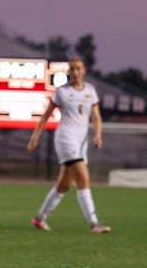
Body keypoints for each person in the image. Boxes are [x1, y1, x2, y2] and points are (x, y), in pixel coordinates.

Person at [26, 56, 111, 234]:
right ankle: (94, 223)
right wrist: (35, 138)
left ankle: (39, 218)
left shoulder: (90, 91)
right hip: (65, 138)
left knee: (64, 185)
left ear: (84, 70)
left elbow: (95, 116)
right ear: (68, 72)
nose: (75, 72)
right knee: (83, 179)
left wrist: (97, 135)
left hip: (81, 142)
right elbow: (45, 116)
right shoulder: (62, 92)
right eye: (72, 69)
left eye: (78, 68)